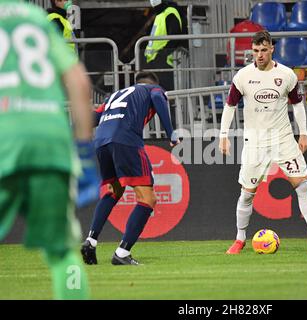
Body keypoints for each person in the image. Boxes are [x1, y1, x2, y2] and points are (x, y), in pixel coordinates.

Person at [0, 0, 98, 299]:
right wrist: (83, 150)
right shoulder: (36, 18)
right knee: (61, 253)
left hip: (6, 137)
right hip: (51, 141)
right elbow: (80, 83)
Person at [219, 30, 307, 254]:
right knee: (247, 193)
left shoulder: (286, 75)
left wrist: (303, 133)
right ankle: (239, 239)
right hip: (255, 142)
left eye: (263, 50)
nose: (259, 55)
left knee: (302, 186)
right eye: (255, 51)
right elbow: (229, 106)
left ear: (272, 49)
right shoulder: (242, 76)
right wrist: (223, 135)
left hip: (283, 139)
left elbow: (297, 104)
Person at [80, 71, 179, 266]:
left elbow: (93, 117)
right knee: (148, 198)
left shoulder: (114, 96)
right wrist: (171, 133)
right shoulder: (154, 89)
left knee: (114, 190)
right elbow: (158, 97)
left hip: (101, 142)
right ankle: (122, 253)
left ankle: (91, 241)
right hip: (125, 141)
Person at [142, 0, 186, 91]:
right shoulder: (160, 14)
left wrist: (163, 53)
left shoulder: (170, 13)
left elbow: (175, 36)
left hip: (164, 62)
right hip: (155, 62)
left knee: (164, 93)